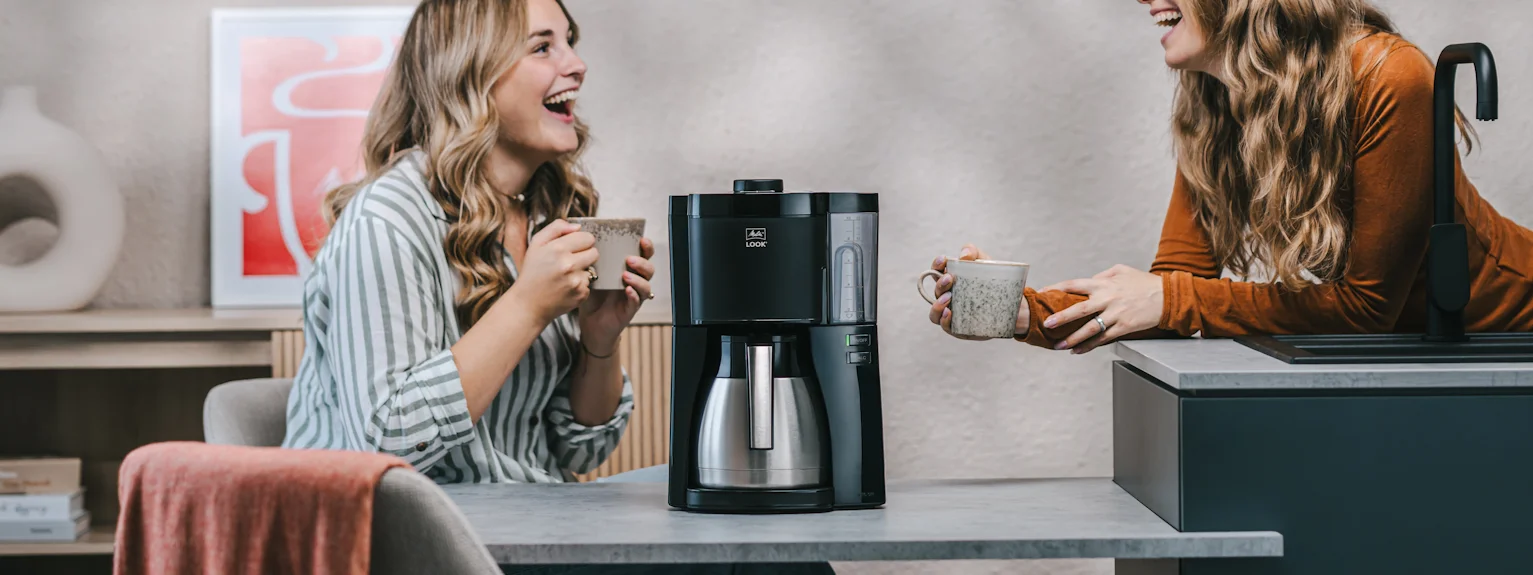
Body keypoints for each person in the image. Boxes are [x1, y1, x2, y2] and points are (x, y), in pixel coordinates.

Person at [282, 1, 832, 573]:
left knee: (767, 531)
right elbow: (387, 441)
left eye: (569, 41)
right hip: (412, 544)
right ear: (469, 72)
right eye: (543, 46)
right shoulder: (387, 219)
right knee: (766, 561)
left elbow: (579, 449)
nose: (578, 64)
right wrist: (526, 306)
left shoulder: (547, 213)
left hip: (526, 521)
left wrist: (599, 338)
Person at [928, 0, 1533, 353]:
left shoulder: (1389, 76)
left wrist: (1169, 300)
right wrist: (1027, 314)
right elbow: (1170, 289)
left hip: (1514, 330)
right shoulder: (1215, 106)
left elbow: (1365, 308)